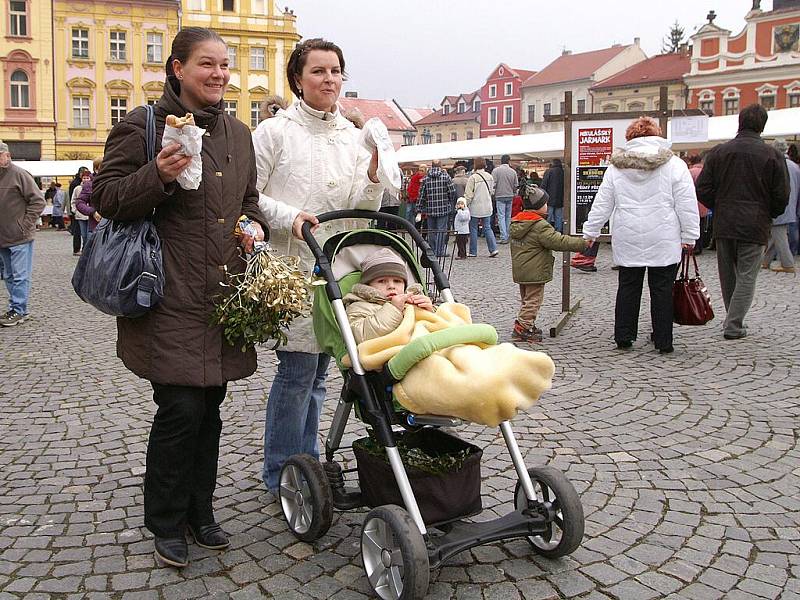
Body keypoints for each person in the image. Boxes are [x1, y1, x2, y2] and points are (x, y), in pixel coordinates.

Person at [92, 27, 269, 569]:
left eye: (224, 65)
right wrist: (157, 174)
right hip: (168, 293)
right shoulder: (140, 125)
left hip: (221, 294)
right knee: (179, 410)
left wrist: (253, 228)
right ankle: (165, 520)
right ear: (177, 69)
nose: (219, 74)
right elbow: (104, 198)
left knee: (211, 410)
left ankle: (201, 511)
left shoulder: (239, 134)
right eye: (206, 64)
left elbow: (250, 202)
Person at [251, 37, 381, 497]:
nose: (329, 80)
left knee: (324, 372)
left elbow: (363, 206)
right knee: (296, 373)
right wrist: (291, 217)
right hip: (294, 266)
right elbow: (249, 195)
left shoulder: (351, 134)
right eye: (319, 72)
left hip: (338, 266)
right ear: (297, 81)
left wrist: (374, 172)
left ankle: (304, 461)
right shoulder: (274, 132)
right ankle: (282, 471)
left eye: (336, 71)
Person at [583, 117, 699, 354]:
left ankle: (624, 336)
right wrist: (689, 235)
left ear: (629, 139)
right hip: (664, 235)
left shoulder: (616, 167)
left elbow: (602, 203)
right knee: (662, 289)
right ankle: (663, 340)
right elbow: (686, 203)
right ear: (657, 135)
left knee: (628, 286)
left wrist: (591, 231)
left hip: (629, 234)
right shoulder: (674, 164)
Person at [696, 104, 789, 340]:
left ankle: (732, 319)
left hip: (725, 221)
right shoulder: (773, 155)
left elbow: (703, 189)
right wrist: (770, 212)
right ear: (763, 125)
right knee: (747, 275)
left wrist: (719, 205)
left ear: (740, 122)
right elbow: (782, 194)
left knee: (728, 275)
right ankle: (734, 323)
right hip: (756, 222)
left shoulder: (719, 152)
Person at [510, 186, 587, 343]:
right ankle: (523, 327)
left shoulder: (518, 221)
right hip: (535, 271)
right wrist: (582, 244)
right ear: (539, 206)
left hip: (522, 270)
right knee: (533, 301)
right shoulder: (539, 226)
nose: (547, 205)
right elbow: (559, 241)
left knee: (527, 299)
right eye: (545, 203)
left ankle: (527, 324)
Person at [344, 248, 433, 344]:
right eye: (382, 281)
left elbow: (436, 327)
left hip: (424, 346)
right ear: (368, 285)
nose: (391, 286)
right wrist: (394, 309)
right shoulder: (359, 306)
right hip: (389, 354)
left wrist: (429, 311)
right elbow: (361, 335)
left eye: (397, 281)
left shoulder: (412, 299)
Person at [0, 141, 45, 327]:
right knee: (9, 276)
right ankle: (18, 308)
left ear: (6, 155)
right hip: (2, 237)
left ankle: (18, 309)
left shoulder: (19, 174)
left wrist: (25, 225)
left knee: (20, 275)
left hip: (20, 236)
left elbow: (38, 201)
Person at [762, 139, 799, 272]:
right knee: (775, 235)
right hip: (791, 206)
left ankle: (788, 263)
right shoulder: (795, 166)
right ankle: (765, 261)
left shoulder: (775, 163)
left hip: (778, 206)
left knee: (779, 235)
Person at [418, 159, 456, 257]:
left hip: (430, 209)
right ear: (440, 166)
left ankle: (432, 251)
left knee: (431, 231)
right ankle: (440, 251)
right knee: (441, 231)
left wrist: (419, 208)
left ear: (432, 166)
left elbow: (421, 195)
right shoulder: (446, 177)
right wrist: (448, 200)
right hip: (443, 208)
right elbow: (452, 192)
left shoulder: (426, 179)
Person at [464, 157, 498, 257]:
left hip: (475, 206)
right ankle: (493, 249)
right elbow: (492, 191)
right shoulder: (489, 176)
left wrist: (465, 205)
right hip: (487, 206)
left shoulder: (473, 178)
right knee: (487, 228)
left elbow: (468, 194)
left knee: (473, 228)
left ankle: (473, 251)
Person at [492, 154, 518, 244]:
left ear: (501, 161)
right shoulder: (513, 172)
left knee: (501, 216)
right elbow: (516, 185)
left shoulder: (496, 171)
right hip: (510, 196)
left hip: (499, 196)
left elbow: (493, 184)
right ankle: (507, 235)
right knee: (508, 216)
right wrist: (513, 192)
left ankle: (504, 236)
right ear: (508, 161)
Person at [687, 155, 710, 254]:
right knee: (701, 226)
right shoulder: (706, 172)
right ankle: (700, 246)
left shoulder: (690, 172)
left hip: (692, 203)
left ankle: (693, 247)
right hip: (703, 204)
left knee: (693, 225)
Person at [76, 157, 103, 235]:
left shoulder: (114, 181)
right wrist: (93, 212)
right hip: (96, 227)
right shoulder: (89, 184)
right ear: (96, 169)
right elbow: (79, 203)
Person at [67, 167, 88, 255]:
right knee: (81, 233)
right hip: (79, 214)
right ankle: (78, 249)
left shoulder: (91, 186)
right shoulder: (77, 187)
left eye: (87, 177)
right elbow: (73, 199)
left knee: (87, 234)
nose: (86, 179)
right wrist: (74, 210)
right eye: (84, 177)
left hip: (88, 214)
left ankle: (85, 249)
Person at [541, 158, 565, 233]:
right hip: (560, 198)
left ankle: (547, 232)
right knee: (559, 217)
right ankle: (558, 232)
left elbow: (544, 185)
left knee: (548, 216)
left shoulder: (549, 171)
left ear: (552, 164)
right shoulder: (563, 172)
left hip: (549, 198)